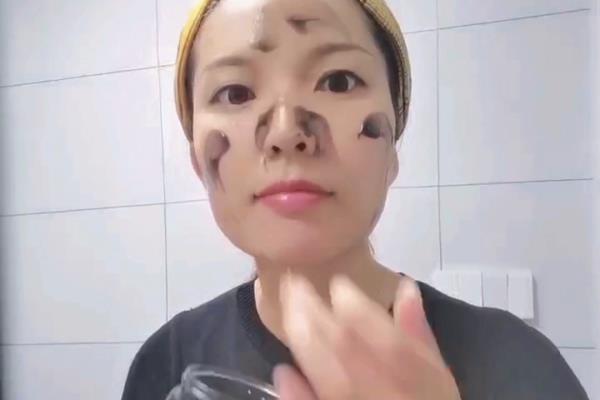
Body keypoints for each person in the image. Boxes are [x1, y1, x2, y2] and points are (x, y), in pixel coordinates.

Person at [121, 0, 589, 399]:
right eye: (235, 92)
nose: (286, 133)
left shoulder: (518, 365)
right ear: (197, 160)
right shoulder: (166, 363)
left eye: (338, 81)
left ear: (392, 150)